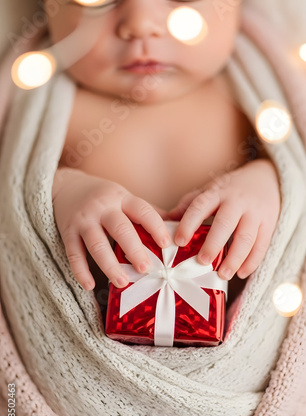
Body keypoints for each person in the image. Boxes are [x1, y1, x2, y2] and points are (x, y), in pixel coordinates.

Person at [50, 0, 281, 311]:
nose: (141, 24)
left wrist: (265, 185)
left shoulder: (247, 101)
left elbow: (303, 178)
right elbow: (19, 187)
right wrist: (61, 191)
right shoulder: (53, 108)